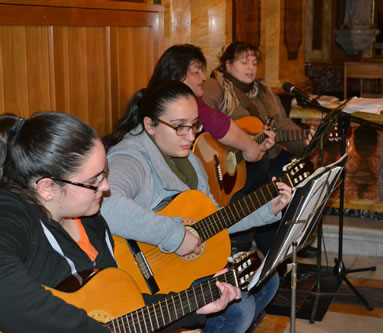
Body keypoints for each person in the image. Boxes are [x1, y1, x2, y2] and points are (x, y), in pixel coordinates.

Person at [0, 112, 240, 332]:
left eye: (105, 173)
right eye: (94, 180)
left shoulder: (93, 222)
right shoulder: (12, 213)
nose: (105, 187)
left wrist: (192, 306)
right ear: (48, 188)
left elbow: (118, 306)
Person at [100, 79, 292, 332]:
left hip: (181, 267)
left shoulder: (189, 158)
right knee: (238, 308)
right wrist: (176, 235)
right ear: (150, 125)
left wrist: (268, 209)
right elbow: (107, 205)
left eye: (194, 125)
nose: (191, 135)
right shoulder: (130, 157)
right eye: (179, 127)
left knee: (265, 279)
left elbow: (213, 219)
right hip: (144, 279)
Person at [202, 41, 314, 254]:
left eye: (254, 62)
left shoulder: (264, 91)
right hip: (235, 164)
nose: (251, 67)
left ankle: (287, 245)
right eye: (244, 62)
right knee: (272, 186)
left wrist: (305, 138)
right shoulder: (214, 87)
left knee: (302, 175)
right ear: (227, 64)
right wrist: (242, 141)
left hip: (268, 156)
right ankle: (267, 245)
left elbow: (283, 125)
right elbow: (203, 121)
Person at [142, 43, 275, 162]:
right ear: (177, 77)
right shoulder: (173, 101)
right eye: (196, 72)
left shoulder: (265, 91)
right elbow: (216, 123)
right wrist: (250, 147)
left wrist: (254, 143)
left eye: (254, 63)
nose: (203, 77)